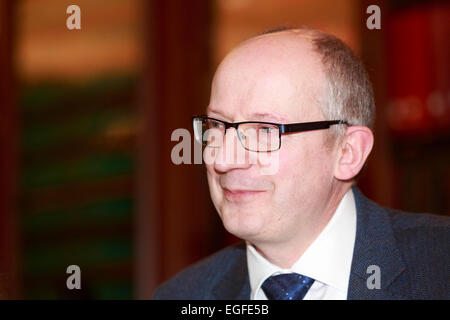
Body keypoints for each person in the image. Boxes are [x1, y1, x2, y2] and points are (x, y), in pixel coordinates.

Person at [153, 27, 450, 300]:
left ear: (348, 152)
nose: (223, 159)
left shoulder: (439, 266)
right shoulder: (182, 296)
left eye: (265, 131)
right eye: (217, 126)